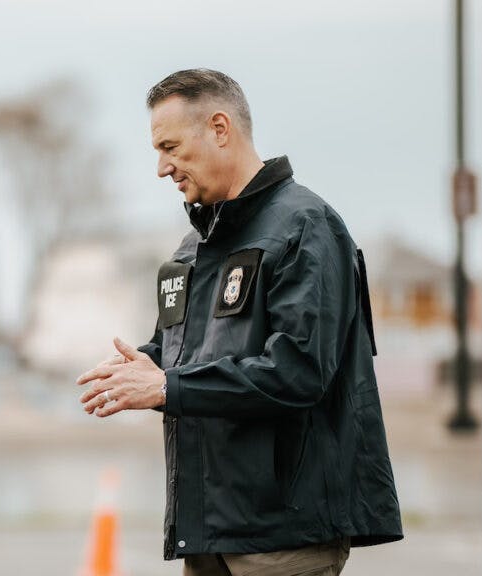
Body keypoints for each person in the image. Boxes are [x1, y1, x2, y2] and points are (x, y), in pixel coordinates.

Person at [76, 69, 402, 575]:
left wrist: (166, 384)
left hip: (282, 539)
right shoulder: (192, 247)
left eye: (170, 146)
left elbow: (298, 370)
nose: (162, 168)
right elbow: (183, 356)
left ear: (220, 128)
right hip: (206, 534)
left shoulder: (305, 227)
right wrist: (143, 364)